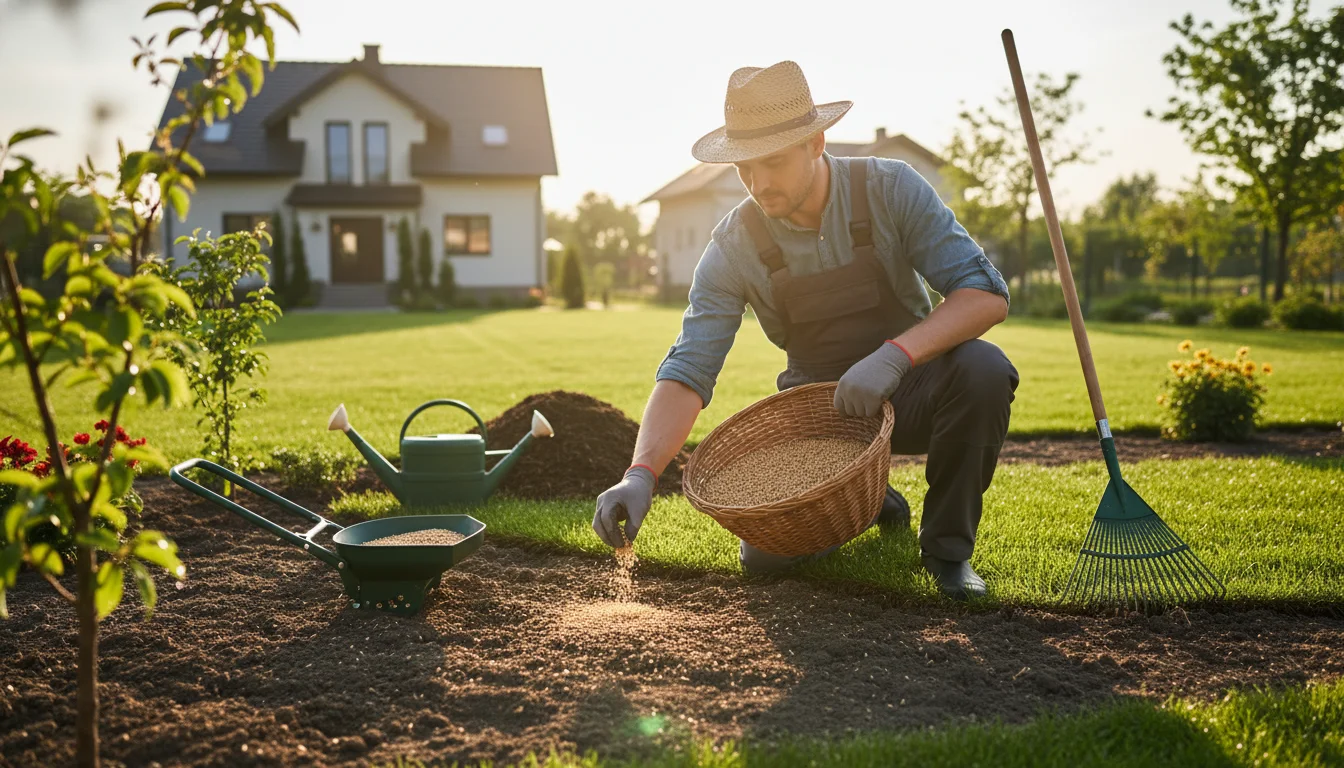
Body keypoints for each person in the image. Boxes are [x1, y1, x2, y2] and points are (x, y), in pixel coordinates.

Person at [591, 61, 1018, 599]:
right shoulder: (733, 246)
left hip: (911, 386)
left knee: (984, 369)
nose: (758, 184)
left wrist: (893, 357)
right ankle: (873, 497)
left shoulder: (890, 189)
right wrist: (641, 472)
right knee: (767, 559)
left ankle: (948, 555)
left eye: (772, 162)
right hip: (819, 413)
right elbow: (689, 367)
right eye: (745, 168)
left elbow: (984, 293)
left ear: (816, 142)